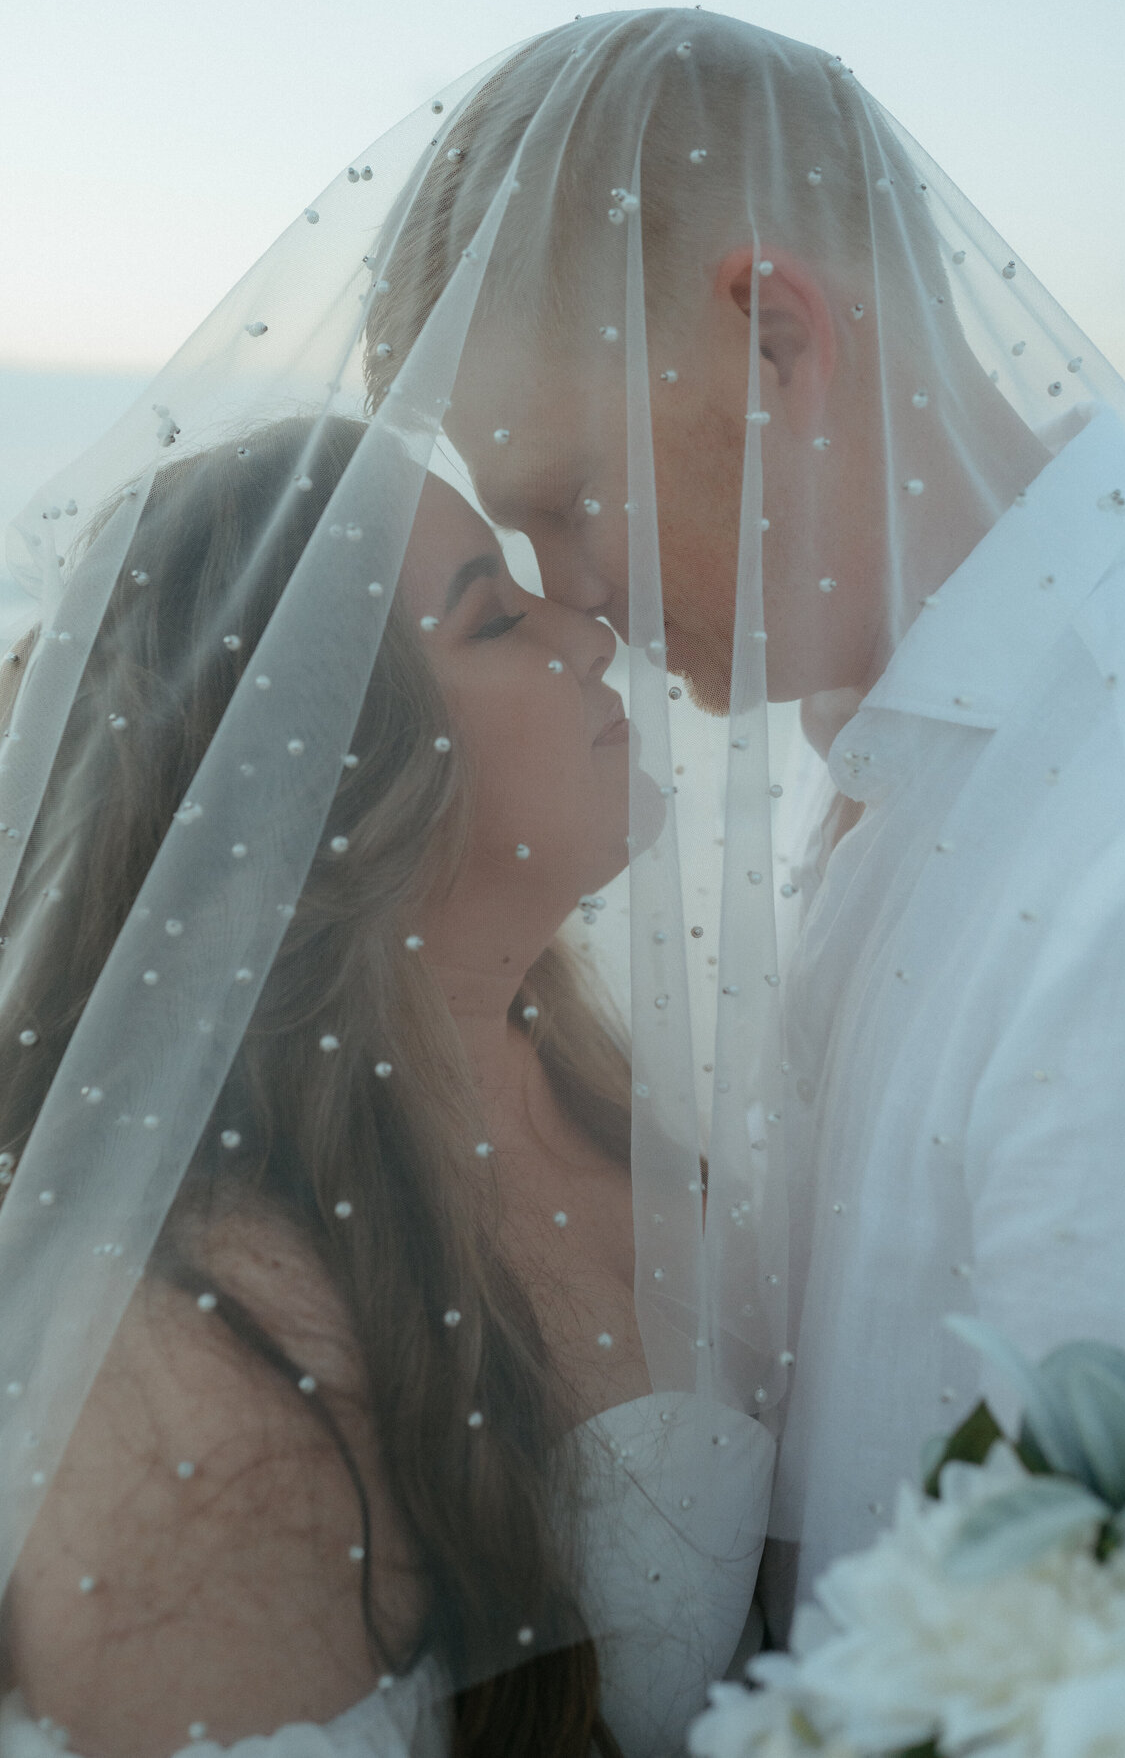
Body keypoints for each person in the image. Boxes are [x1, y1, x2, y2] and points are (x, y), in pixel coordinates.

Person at [362, 8, 1125, 1610]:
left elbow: (1096, 1639)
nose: (581, 602)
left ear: (775, 340)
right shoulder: (915, 732)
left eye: (566, 502)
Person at [0, 416, 773, 1758]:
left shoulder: (598, 1088)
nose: (590, 634)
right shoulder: (197, 1358)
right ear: (336, 785)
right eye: (491, 618)